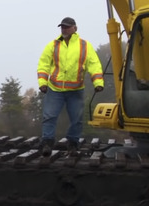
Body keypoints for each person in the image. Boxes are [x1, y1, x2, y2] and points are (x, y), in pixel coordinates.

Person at [37, 17, 104, 155]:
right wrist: (43, 83)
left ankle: (73, 143)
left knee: (77, 119)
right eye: (62, 27)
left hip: (76, 90)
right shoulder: (53, 45)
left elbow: (94, 64)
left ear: (75, 28)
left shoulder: (85, 45)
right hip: (55, 89)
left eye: (67, 27)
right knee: (49, 116)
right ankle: (47, 143)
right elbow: (43, 65)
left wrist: (98, 83)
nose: (64, 29)